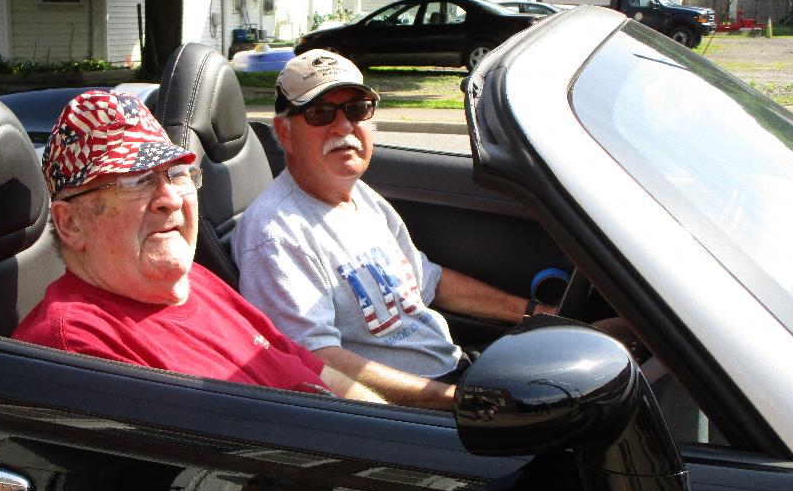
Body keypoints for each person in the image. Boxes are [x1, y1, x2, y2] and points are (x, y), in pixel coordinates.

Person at [232, 50, 554, 410]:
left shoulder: (359, 195)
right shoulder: (275, 234)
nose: (343, 126)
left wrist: (539, 314)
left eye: (357, 109)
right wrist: (460, 402)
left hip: (454, 371)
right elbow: (316, 360)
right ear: (285, 133)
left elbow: (427, 281)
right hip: (409, 410)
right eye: (320, 113)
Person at [13, 90, 382, 403]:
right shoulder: (77, 348)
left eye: (177, 173)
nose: (170, 198)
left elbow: (312, 368)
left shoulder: (196, 282)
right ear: (71, 223)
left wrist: (396, 422)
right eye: (136, 180)